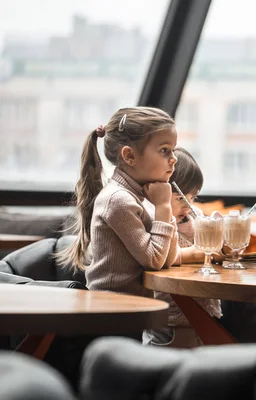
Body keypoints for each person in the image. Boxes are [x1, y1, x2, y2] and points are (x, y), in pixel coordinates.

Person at [58, 107, 179, 300]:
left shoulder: (141, 196)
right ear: (129, 156)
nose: (174, 159)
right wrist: (164, 207)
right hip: (112, 309)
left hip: (132, 306)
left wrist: (163, 207)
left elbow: (167, 259)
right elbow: (155, 261)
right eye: (165, 150)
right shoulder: (117, 200)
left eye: (173, 150)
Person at [143, 148, 222, 348]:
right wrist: (197, 253)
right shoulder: (153, 218)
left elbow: (210, 242)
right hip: (167, 316)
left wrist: (222, 243)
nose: (188, 204)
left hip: (200, 311)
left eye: (192, 196)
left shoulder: (191, 215)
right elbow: (161, 257)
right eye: (180, 198)